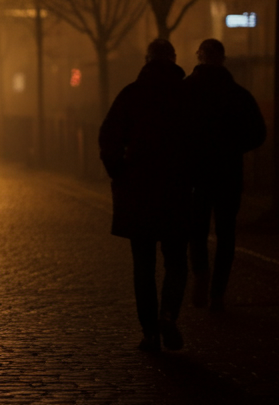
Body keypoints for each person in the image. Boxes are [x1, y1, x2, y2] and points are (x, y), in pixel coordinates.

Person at [99, 38, 192, 352]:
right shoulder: (184, 94)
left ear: (147, 59)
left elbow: (108, 136)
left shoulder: (132, 94)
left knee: (143, 265)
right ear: (174, 59)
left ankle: (149, 331)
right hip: (177, 190)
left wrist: (119, 172)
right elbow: (201, 141)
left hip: (138, 190)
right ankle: (168, 315)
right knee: (177, 260)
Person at [183, 38, 266, 311]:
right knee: (226, 233)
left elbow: (173, 128)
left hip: (195, 172)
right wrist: (233, 147)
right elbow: (258, 133)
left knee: (196, 230)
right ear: (222, 58)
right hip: (228, 172)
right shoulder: (238, 94)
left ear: (200, 57)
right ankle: (218, 291)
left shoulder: (186, 91)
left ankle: (201, 275)